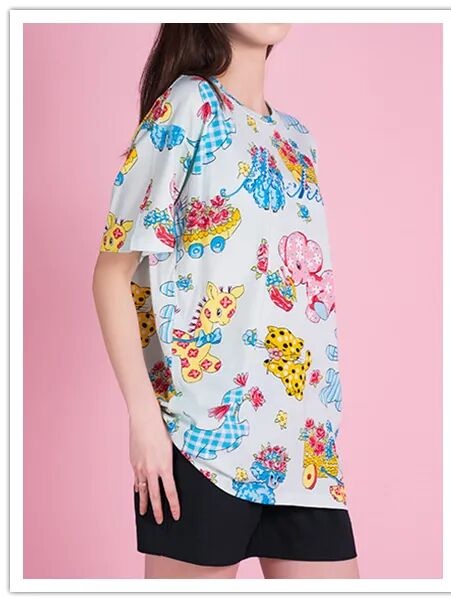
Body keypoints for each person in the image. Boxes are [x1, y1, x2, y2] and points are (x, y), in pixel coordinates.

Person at [92, 23, 360, 579]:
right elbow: (111, 274)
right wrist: (145, 421)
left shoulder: (298, 139)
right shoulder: (188, 105)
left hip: (303, 449)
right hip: (201, 442)